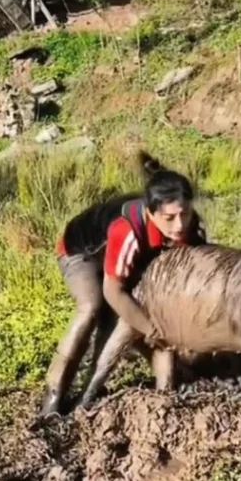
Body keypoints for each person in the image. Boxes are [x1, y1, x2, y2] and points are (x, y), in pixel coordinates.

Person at [41, 154, 207, 416]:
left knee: (129, 316)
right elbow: (112, 290)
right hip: (83, 253)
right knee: (92, 307)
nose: (179, 224)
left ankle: (156, 391)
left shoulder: (187, 225)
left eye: (184, 214)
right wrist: (152, 329)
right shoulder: (127, 229)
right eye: (170, 218)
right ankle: (53, 396)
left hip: (128, 261)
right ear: (151, 212)